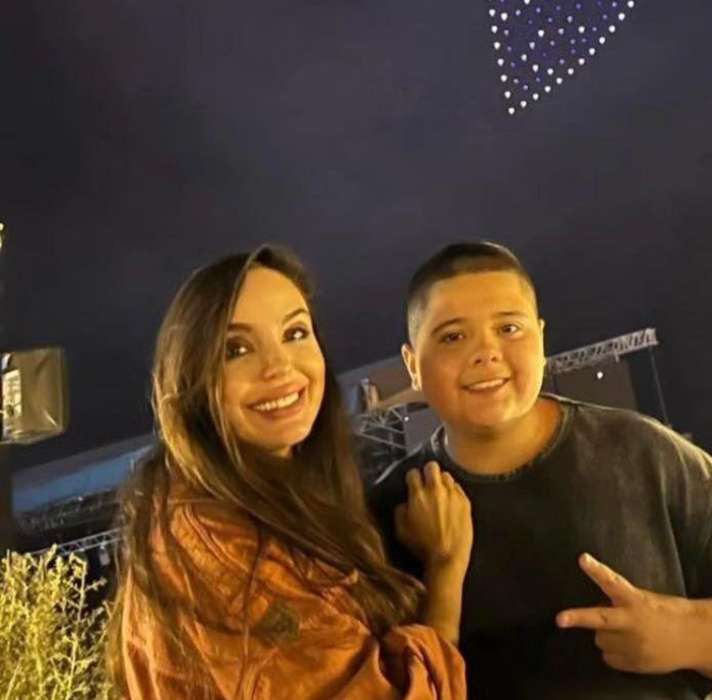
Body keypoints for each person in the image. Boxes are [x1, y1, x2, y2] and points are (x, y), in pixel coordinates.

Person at [371, 241, 712, 698]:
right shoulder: (384, 512)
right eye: (452, 337)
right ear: (412, 364)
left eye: (509, 328)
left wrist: (686, 633)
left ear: (541, 338)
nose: (486, 352)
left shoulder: (646, 454)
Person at [106, 245, 471, 699]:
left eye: (295, 332)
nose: (279, 367)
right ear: (191, 380)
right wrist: (445, 569)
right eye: (237, 350)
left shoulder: (261, 498)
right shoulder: (219, 549)